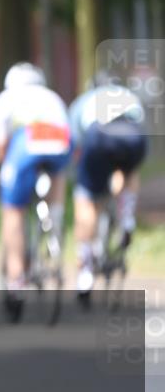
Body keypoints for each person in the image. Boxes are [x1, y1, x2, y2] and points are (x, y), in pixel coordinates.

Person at [0, 62, 72, 322]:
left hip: (26, 143)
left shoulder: (4, 100)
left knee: (12, 213)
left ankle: (16, 278)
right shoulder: (53, 97)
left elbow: (0, 145)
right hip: (58, 140)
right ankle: (54, 225)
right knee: (57, 175)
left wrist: (4, 172)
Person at [69, 72, 147, 301]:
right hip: (133, 135)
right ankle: (127, 216)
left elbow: (76, 145)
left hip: (98, 136)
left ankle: (85, 271)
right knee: (129, 171)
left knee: (86, 199)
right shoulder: (129, 96)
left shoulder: (84, 101)